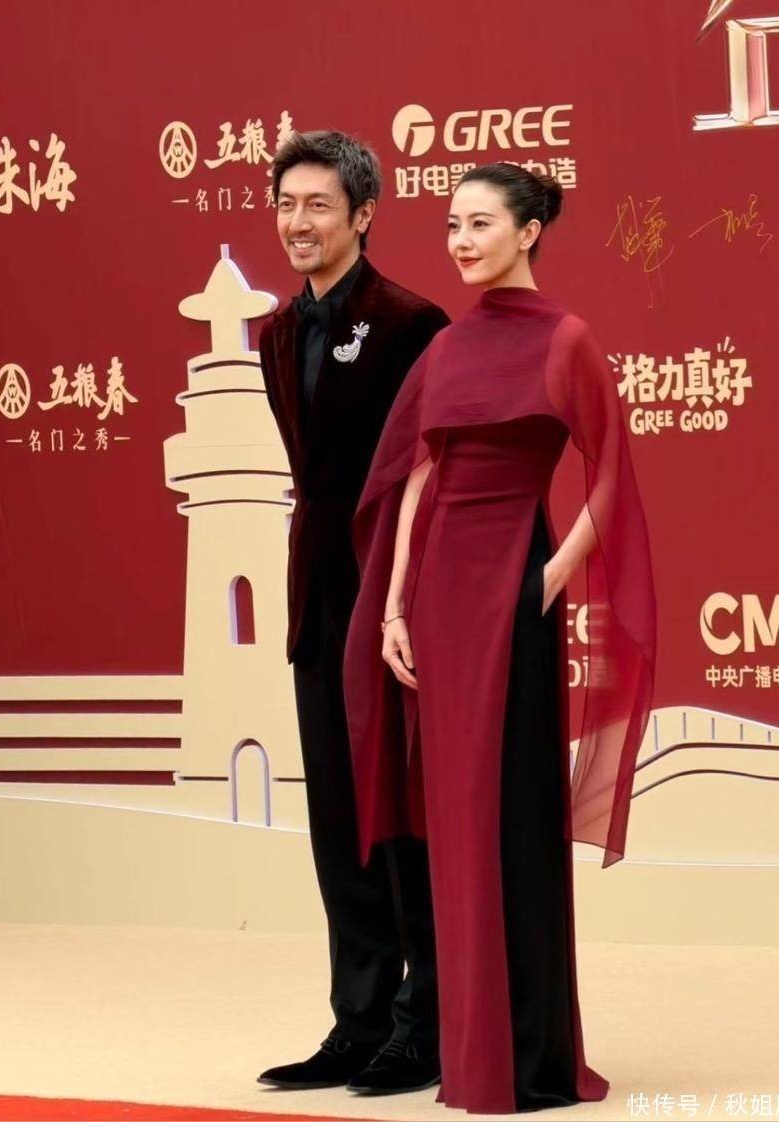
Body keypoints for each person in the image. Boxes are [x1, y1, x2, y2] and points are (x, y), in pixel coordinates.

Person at [343, 163, 657, 1114]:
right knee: (454, 822)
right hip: (439, 600)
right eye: (451, 225)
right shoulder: (446, 348)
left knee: (513, 817)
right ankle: (471, 1050)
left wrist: (548, 580)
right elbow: (418, 480)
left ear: (528, 232)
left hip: (516, 591)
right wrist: (394, 608)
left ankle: (527, 1057)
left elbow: (612, 479)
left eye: (480, 224)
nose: (461, 241)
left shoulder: (567, 340)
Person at [256, 130, 450, 1095]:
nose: (299, 222)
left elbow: (430, 471)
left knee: (402, 816)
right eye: (287, 203)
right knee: (338, 816)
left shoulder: (414, 322)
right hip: (316, 594)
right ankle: (359, 1019)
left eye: (319, 204)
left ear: (364, 214)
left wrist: (403, 595)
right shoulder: (273, 333)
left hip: (395, 598)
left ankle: (428, 1024)